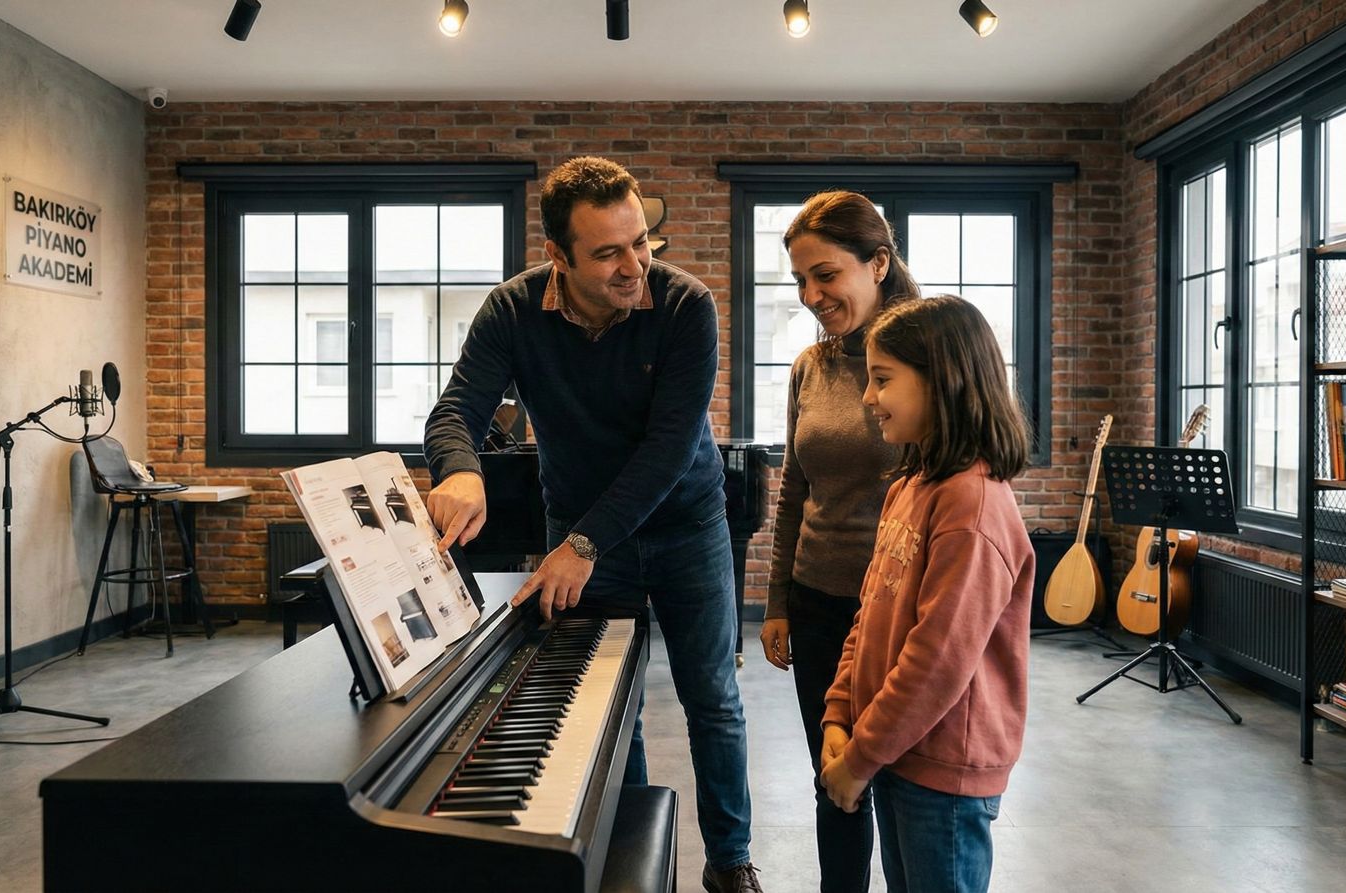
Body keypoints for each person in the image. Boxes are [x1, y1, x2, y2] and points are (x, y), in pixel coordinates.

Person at [423, 156, 762, 893]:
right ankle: (626, 848)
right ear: (558, 256)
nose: (633, 264)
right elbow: (456, 411)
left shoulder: (684, 306)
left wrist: (580, 543)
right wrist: (459, 467)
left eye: (640, 242)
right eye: (608, 252)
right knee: (612, 696)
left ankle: (730, 860)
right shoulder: (511, 312)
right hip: (578, 519)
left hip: (685, 522)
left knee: (713, 695)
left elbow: (668, 450)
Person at [819, 295, 1034, 893]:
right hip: (892, 751)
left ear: (944, 382)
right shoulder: (908, 487)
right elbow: (866, 620)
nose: (868, 397)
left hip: (943, 771)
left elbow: (938, 661)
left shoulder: (973, 506)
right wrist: (841, 715)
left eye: (883, 380)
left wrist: (860, 758)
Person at [757, 190, 918, 893]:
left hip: (901, 607)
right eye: (799, 279)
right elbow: (794, 489)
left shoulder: (927, 358)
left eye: (825, 274)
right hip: (820, 600)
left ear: (877, 261)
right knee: (835, 777)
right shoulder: (810, 367)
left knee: (906, 780)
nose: (811, 293)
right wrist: (776, 599)